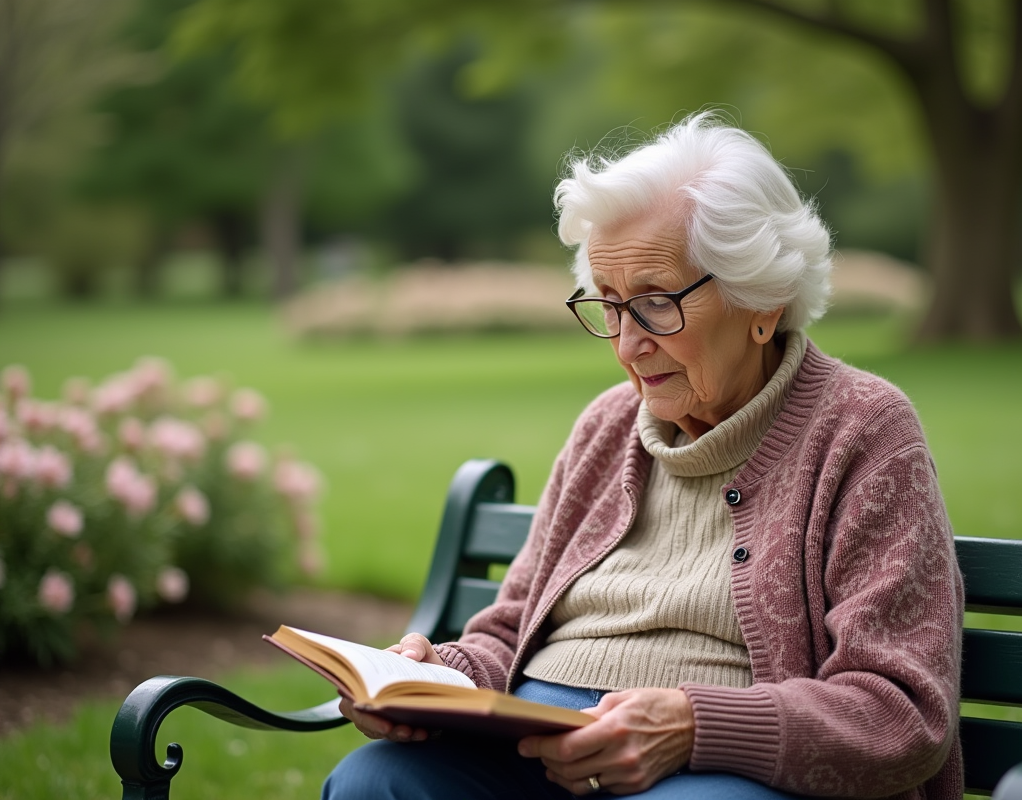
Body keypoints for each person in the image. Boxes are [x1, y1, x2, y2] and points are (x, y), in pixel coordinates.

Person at [324, 113, 964, 799]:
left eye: (657, 304)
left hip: (717, 766)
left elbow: (900, 711)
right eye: (610, 306)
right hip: (533, 746)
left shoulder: (861, 429)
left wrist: (694, 724)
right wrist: (439, 676)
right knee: (376, 781)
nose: (627, 345)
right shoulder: (607, 425)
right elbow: (509, 630)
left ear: (764, 302)